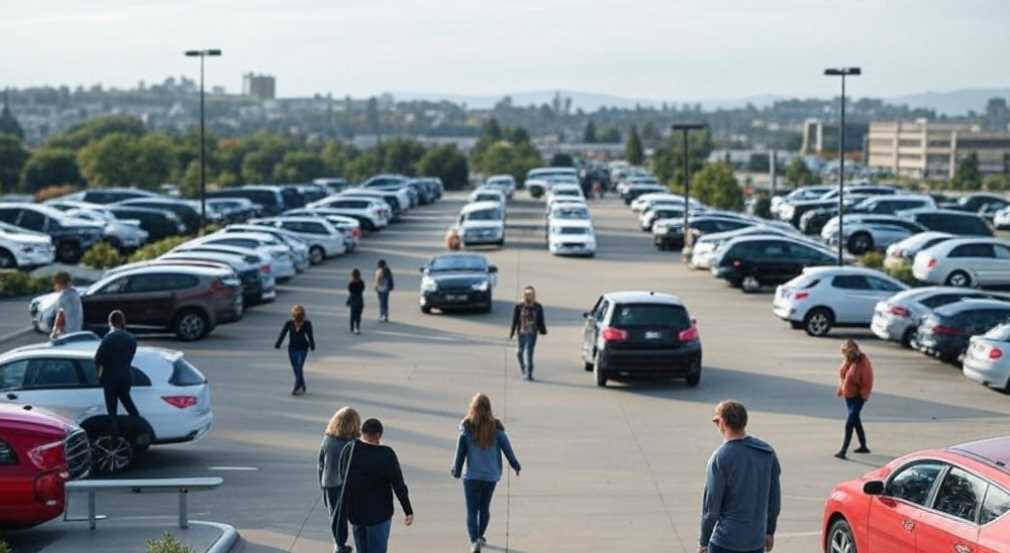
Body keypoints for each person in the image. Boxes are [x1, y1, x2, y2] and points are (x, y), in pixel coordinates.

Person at [700, 400, 781, 553]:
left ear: (722, 422)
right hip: (755, 542)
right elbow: (774, 500)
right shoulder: (767, 453)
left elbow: (711, 509)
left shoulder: (719, 458)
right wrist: (769, 531)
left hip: (725, 542)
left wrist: (704, 542)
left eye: (716, 421)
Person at [451, 393, 521, 553]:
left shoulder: (466, 427)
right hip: (490, 476)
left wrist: (456, 469)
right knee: (484, 508)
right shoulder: (496, 429)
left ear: (473, 408)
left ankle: (474, 540)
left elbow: (460, 450)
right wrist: (515, 464)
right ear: (489, 409)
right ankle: (480, 535)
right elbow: (507, 449)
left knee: (471, 510)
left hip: (471, 477)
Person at [337, 418, 414, 553]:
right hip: (379, 515)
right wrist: (407, 510)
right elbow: (398, 484)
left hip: (356, 515)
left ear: (362, 432)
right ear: (378, 435)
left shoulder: (349, 449)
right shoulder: (386, 454)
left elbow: (342, 476)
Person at [319, 407, 362, 553]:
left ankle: (339, 544)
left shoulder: (327, 439)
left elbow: (320, 464)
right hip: (346, 484)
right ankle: (341, 547)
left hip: (329, 483)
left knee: (336, 516)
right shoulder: (353, 443)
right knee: (351, 515)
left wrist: (322, 483)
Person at [94, 310, 140, 437]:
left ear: (110, 322)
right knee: (128, 403)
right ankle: (138, 428)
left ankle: (115, 437)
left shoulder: (108, 339)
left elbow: (98, 359)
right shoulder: (131, 338)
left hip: (110, 378)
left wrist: (99, 375)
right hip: (126, 377)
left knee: (112, 411)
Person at [834, 339, 874, 459]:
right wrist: (842, 388)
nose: (845, 355)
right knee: (856, 420)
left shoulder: (863, 363)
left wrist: (862, 396)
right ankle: (863, 446)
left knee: (849, 423)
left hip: (858, 397)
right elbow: (844, 376)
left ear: (853, 351)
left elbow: (868, 381)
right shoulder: (848, 361)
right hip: (849, 396)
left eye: (846, 352)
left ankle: (843, 451)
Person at [275, 305, 315, 395]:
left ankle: (296, 386)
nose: (297, 318)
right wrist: (278, 343)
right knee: (296, 368)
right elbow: (283, 333)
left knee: (299, 366)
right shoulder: (289, 323)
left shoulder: (307, 324)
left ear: (302, 315)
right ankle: (302, 383)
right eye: (295, 316)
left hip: (303, 348)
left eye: (299, 316)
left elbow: (310, 335)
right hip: (292, 348)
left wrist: (312, 345)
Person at [509, 286, 547, 381]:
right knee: (519, 353)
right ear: (524, 295)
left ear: (534, 295)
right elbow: (514, 320)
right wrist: (512, 332)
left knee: (528, 353)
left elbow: (541, 320)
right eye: (527, 294)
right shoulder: (519, 306)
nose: (528, 296)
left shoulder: (538, 307)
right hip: (521, 333)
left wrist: (543, 330)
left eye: (530, 294)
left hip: (532, 334)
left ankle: (529, 374)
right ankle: (524, 369)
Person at [49, 271, 83, 340]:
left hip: (66, 332)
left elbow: (60, 317)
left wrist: (54, 332)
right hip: (78, 329)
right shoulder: (75, 294)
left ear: (59, 284)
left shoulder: (62, 298)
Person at [347, 269, 365, 335]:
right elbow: (363, 289)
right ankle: (357, 327)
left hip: (353, 301)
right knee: (358, 315)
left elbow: (350, 291)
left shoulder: (351, 283)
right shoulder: (361, 282)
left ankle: (352, 328)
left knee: (352, 315)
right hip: (360, 301)